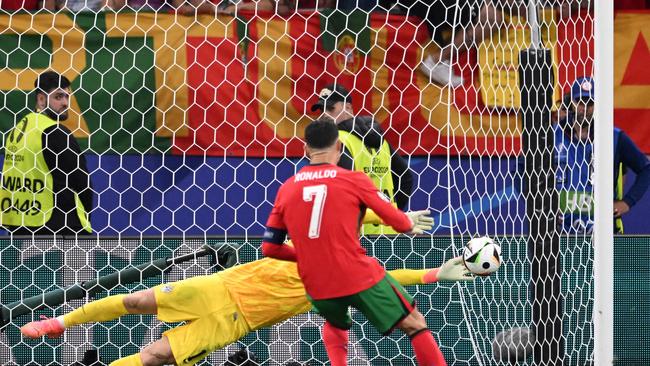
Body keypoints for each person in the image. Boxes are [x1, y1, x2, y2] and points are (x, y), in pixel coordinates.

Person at [20, 253, 473, 366]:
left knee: (155, 357)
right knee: (139, 299)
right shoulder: (303, 231)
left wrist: (436, 274)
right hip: (217, 287)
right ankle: (62, 321)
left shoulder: (344, 276)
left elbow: (389, 277)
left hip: (235, 321)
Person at [262, 118, 449, 366]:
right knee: (415, 323)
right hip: (355, 273)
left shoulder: (286, 189)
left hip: (317, 282)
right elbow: (400, 223)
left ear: (305, 149)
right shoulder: (353, 180)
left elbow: (270, 247)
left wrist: (310, 255)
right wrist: (405, 220)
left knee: (335, 323)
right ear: (339, 147)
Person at [311, 84, 413, 235]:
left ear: (349, 108)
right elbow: (406, 178)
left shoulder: (339, 141)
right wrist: (391, 213)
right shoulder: (381, 141)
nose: (325, 114)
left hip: (357, 235)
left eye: (330, 108)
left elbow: (341, 191)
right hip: (389, 232)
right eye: (322, 110)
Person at [0, 71, 92, 235]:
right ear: (41, 99)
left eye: (66, 96)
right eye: (58, 97)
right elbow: (82, 182)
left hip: (20, 224)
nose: (65, 103)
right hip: (57, 227)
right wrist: (86, 217)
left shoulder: (19, 128)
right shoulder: (55, 132)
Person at [555, 76, 650, 234]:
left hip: (602, 235)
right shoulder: (551, 135)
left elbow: (646, 169)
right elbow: (522, 170)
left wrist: (627, 202)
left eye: (590, 103)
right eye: (580, 102)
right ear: (570, 102)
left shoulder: (614, 137)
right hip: (559, 234)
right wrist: (541, 205)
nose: (584, 108)